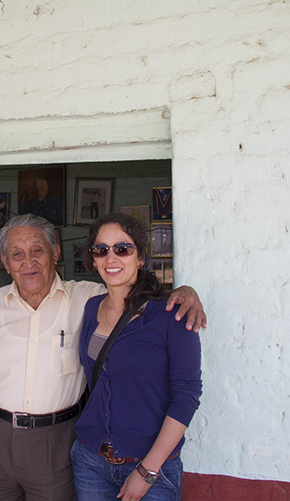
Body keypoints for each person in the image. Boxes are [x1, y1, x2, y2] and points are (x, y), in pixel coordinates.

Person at [0, 214, 205, 501]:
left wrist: (186, 292)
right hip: (11, 440)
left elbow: (186, 393)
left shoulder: (88, 299)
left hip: (61, 441)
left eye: (37, 250)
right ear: (5, 262)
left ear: (56, 252)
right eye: (17, 254)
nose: (28, 261)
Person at [71, 212, 202, 500]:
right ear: (92, 260)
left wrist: (147, 471)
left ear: (140, 257)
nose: (111, 258)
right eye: (101, 250)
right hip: (90, 460)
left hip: (151, 466)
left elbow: (186, 396)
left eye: (123, 248)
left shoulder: (172, 315)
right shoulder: (92, 307)